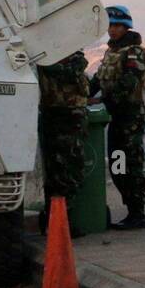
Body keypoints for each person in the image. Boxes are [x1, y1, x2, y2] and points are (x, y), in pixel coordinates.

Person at [90, 5, 145, 231]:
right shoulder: (111, 52)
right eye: (110, 25)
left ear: (126, 27)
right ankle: (131, 210)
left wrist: (103, 100)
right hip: (115, 117)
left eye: (116, 26)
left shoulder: (135, 52)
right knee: (117, 164)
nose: (112, 30)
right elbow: (98, 79)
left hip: (130, 116)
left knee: (131, 164)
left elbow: (129, 82)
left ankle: (138, 213)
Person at [35, 50, 90, 233]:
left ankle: (59, 222)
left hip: (69, 117)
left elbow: (70, 73)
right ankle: (59, 223)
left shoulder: (76, 59)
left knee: (69, 172)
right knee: (60, 172)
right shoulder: (43, 59)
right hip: (57, 116)